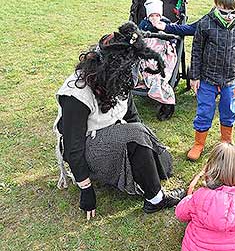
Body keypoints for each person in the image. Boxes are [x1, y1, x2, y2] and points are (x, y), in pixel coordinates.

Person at [53, 22, 185, 220]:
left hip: (110, 137)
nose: (134, 74)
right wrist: (86, 190)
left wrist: (143, 146)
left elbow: (132, 117)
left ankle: (145, 179)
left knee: (164, 166)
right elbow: (73, 147)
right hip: (88, 147)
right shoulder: (76, 93)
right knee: (136, 134)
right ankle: (155, 201)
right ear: (112, 67)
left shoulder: (117, 79)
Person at [187, 0, 235, 161]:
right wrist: (194, 76)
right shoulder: (205, 23)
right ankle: (199, 143)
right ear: (216, 3)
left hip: (230, 80)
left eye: (233, 11)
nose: (229, 15)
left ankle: (226, 141)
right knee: (204, 111)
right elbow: (196, 51)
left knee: (229, 110)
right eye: (225, 11)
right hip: (207, 79)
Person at [152, 0, 235, 101]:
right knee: (195, 72)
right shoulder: (211, 19)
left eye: (232, 12)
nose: (228, 16)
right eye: (223, 12)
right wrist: (166, 27)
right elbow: (191, 28)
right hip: (215, 63)